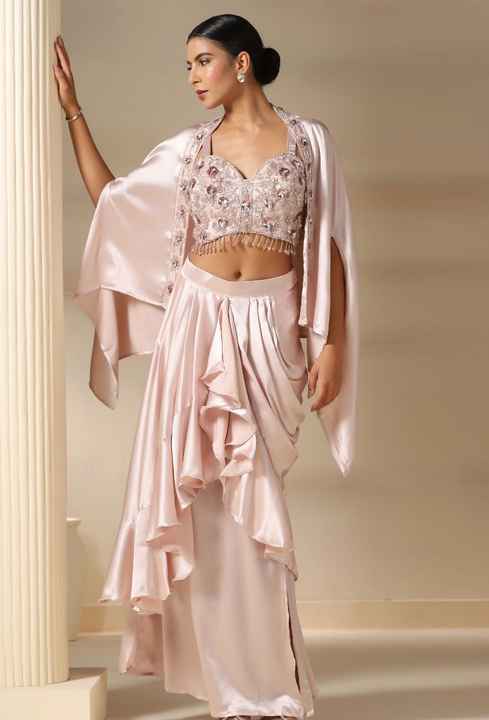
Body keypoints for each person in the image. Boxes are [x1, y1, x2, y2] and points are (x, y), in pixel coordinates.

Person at [53, 13, 359, 720]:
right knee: (209, 513)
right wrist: (73, 111)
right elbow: (111, 200)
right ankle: (235, 693)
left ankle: (273, 686)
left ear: (241, 62)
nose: (192, 76)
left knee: (257, 508)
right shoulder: (188, 150)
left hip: (271, 327)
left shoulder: (309, 142)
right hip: (198, 324)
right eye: (188, 65)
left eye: (201, 61)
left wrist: (333, 343)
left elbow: (330, 247)